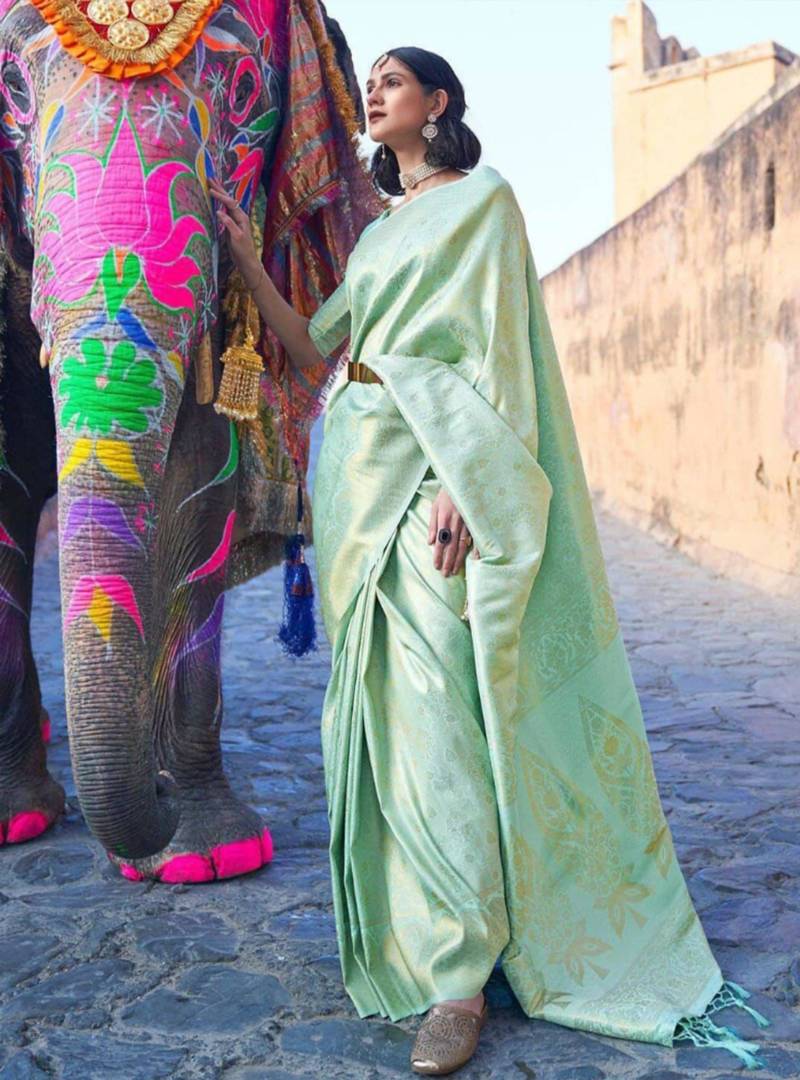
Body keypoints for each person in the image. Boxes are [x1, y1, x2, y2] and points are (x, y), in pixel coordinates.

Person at [210, 46, 770, 1078]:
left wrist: (472, 485)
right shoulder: (380, 234)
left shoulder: (484, 203)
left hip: (432, 473)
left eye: (394, 79)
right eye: (369, 79)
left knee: (437, 717)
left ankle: (460, 981)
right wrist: (245, 257)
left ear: (441, 102)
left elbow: (498, 353)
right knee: (379, 713)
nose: (374, 91)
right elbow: (310, 345)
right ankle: (427, 939)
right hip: (353, 471)